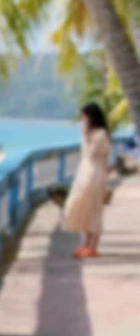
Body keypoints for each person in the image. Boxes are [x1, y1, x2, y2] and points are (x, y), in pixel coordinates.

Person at [64, 101, 113, 259]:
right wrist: (85, 134)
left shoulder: (100, 134)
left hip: (95, 174)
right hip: (85, 172)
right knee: (81, 207)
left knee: (94, 209)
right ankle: (85, 244)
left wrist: (85, 134)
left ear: (91, 117)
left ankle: (92, 246)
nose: (82, 121)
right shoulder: (90, 133)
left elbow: (91, 153)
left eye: (84, 117)